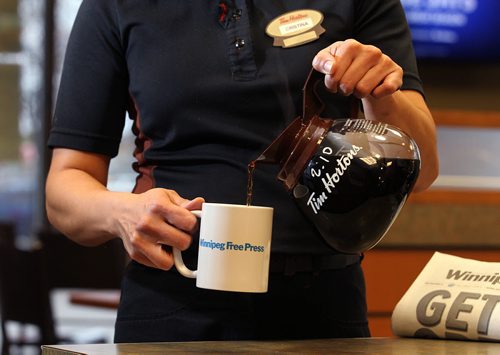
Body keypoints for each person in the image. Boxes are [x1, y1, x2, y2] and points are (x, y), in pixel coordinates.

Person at [45, 0, 439, 343]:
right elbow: (64, 191)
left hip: (326, 302)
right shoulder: (113, 6)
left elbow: (423, 170)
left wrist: (378, 89)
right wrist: (121, 214)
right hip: (171, 304)